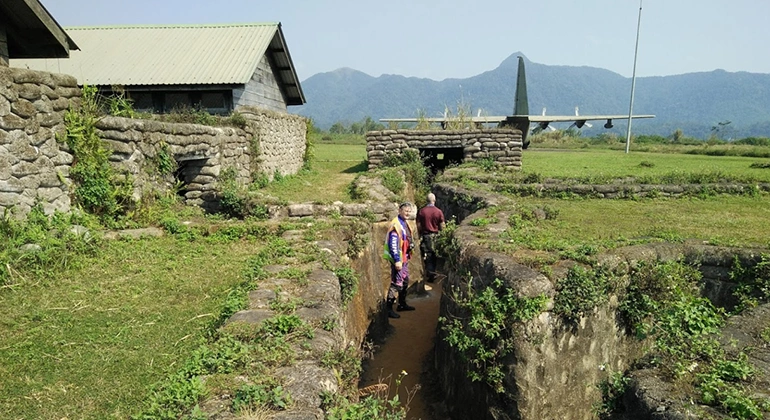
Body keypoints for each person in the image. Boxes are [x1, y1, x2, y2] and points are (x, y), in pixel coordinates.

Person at [383, 202, 416, 319]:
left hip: (404, 258)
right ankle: (388, 309)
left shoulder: (403, 223)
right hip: (399, 260)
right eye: (405, 210)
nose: (407, 213)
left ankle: (402, 304)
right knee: (396, 283)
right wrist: (397, 260)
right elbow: (393, 244)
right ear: (400, 210)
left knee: (405, 281)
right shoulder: (396, 225)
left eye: (409, 211)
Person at [416, 193, 446, 283]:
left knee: (428, 255)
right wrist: (444, 235)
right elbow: (442, 225)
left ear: (426, 200)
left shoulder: (422, 211)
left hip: (426, 235)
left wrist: (419, 234)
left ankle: (430, 273)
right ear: (434, 200)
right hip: (435, 236)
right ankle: (432, 273)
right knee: (434, 255)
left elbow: (418, 225)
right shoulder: (438, 211)